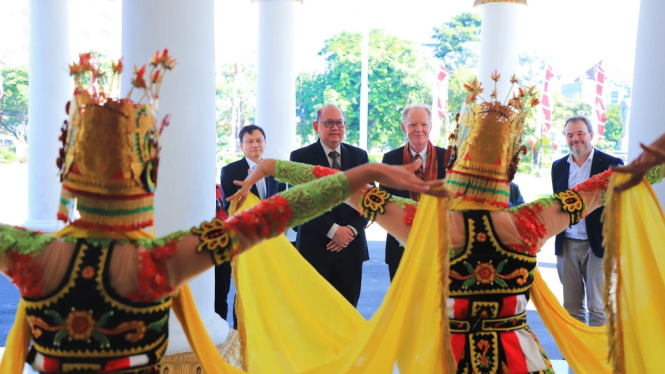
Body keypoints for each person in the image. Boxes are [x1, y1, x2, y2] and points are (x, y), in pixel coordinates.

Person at [0, 52, 439, 373]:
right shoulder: (161, 261)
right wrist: (365, 173)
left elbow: (275, 212)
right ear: (149, 174)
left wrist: (344, 171)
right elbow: (271, 217)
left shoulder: (29, 253)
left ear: (68, 173)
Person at [289, 104, 370, 307]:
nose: (335, 127)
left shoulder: (360, 157)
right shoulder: (300, 158)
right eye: (329, 123)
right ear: (316, 126)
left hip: (351, 249)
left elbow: (371, 201)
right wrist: (333, 230)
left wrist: (349, 230)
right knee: (315, 315)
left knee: (348, 314)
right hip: (314, 249)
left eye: (339, 123)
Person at [551, 115, 623, 326]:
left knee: (598, 307)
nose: (575, 139)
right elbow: (557, 204)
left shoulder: (612, 164)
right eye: (570, 135)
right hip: (566, 244)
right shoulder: (558, 167)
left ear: (591, 135)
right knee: (571, 308)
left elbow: (620, 206)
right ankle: (578, 359)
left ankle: (599, 358)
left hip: (599, 245)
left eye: (580, 133)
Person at [217, 124, 285, 327]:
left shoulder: (275, 169)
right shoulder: (230, 171)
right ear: (241, 145)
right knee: (245, 290)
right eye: (250, 141)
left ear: (265, 143)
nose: (255, 145)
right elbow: (231, 204)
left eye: (259, 140)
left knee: (268, 290)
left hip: (271, 240)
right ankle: (240, 337)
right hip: (246, 239)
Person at [381, 103, 446, 280]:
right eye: (413, 125)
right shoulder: (390, 160)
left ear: (430, 127)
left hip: (439, 247)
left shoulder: (448, 159)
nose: (419, 129)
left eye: (424, 124)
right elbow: (384, 204)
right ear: (404, 127)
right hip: (400, 247)